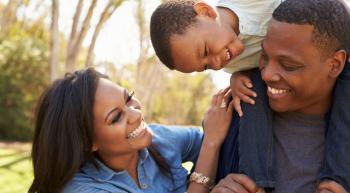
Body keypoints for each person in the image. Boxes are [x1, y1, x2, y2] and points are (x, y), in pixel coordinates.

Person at [150, 0, 350, 191]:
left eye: (289, 65)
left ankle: (339, 179)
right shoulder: (229, 126)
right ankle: (256, 179)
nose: (217, 64)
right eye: (205, 66)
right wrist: (237, 77)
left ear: (336, 63)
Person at [28, 68, 234, 193]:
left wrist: (241, 80)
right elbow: (212, 141)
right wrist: (211, 146)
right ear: (87, 142)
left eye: (128, 98)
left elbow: (226, 138)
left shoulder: (160, 139)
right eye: (117, 117)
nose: (136, 114)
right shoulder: (81, 189)